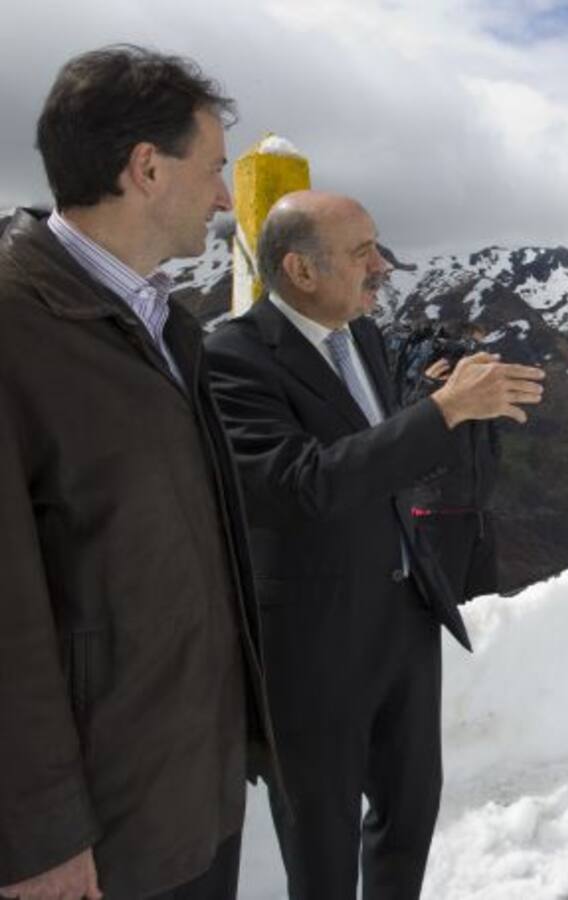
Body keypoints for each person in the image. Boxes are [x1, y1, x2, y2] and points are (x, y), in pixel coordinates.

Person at [204, 190, 544, 899]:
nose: (382, 265)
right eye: (362, 253)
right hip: (313, 643)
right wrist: (442, 413)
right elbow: (306, 483)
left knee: (408, 817)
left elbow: (372, 451)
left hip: (403, 620)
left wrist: (428, 403)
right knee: (322, 842)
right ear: (299, 269)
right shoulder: (233, 356)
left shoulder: (359, 335)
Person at [0, 46, 278, 900]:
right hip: (94, 843)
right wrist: (37, 839)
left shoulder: (159, 324)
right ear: (146, 168)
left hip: (188, 796)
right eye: (215, 170)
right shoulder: (16, 330)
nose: (227, 198)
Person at [391, 322, 501, 600]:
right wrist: (426, 390)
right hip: (435, 517)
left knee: (482, 612)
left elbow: (489, 442)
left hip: (476, 514)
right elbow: (398, 434)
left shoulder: (474, 392)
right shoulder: (418, 386)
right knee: (437, 611)